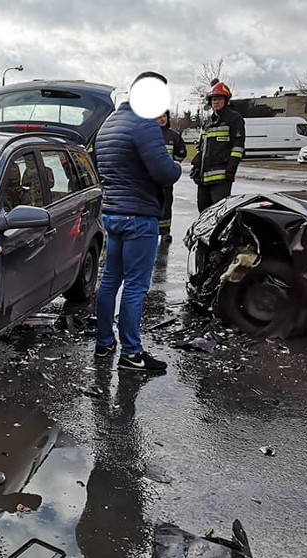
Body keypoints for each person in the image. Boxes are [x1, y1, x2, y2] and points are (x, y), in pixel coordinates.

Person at [92, 71, 181, 373]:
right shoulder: (143, 125)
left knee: (109, 281)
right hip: (139, 218)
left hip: (113, 215)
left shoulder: (108, 124)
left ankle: (104, 342)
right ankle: (132, 354)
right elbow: (164, 172)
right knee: (135, 286)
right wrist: (178, 166)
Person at [191, 81, 245, 212]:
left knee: (219, 213)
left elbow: (238, 147)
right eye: (214, 99)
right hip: (204, 178)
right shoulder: (208, 122)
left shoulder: (234, 118)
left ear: (227, 101)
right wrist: (197, 165)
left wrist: (231, 170)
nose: (216, 102)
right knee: (203, 212)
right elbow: (201, 147)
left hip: (221, 178)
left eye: (220, 99)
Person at [156, 110, 186, 240]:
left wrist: (172, 166)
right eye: (159, 117)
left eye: (164, 116)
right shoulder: (149, 134)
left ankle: (165, 232)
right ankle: (151, 230)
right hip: (151, 178)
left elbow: (181, 153)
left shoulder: (173, 136)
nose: (162, 119)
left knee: (166, 204)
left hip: (166, 178)